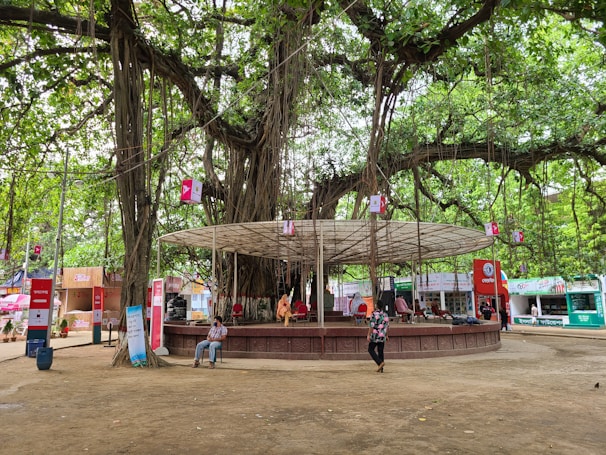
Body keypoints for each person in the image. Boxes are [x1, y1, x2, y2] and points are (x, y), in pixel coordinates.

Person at [367, 300, 389, 373]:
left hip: (375, 335)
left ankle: (379, 362)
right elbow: (387, 326)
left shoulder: (374, 314)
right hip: (382, 335)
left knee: (370, 349)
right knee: (380, 351)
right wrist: (386, 335)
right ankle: (381, 368)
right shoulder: (385, 315)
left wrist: (368, 334)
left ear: (376, 306)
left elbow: (372, 326)